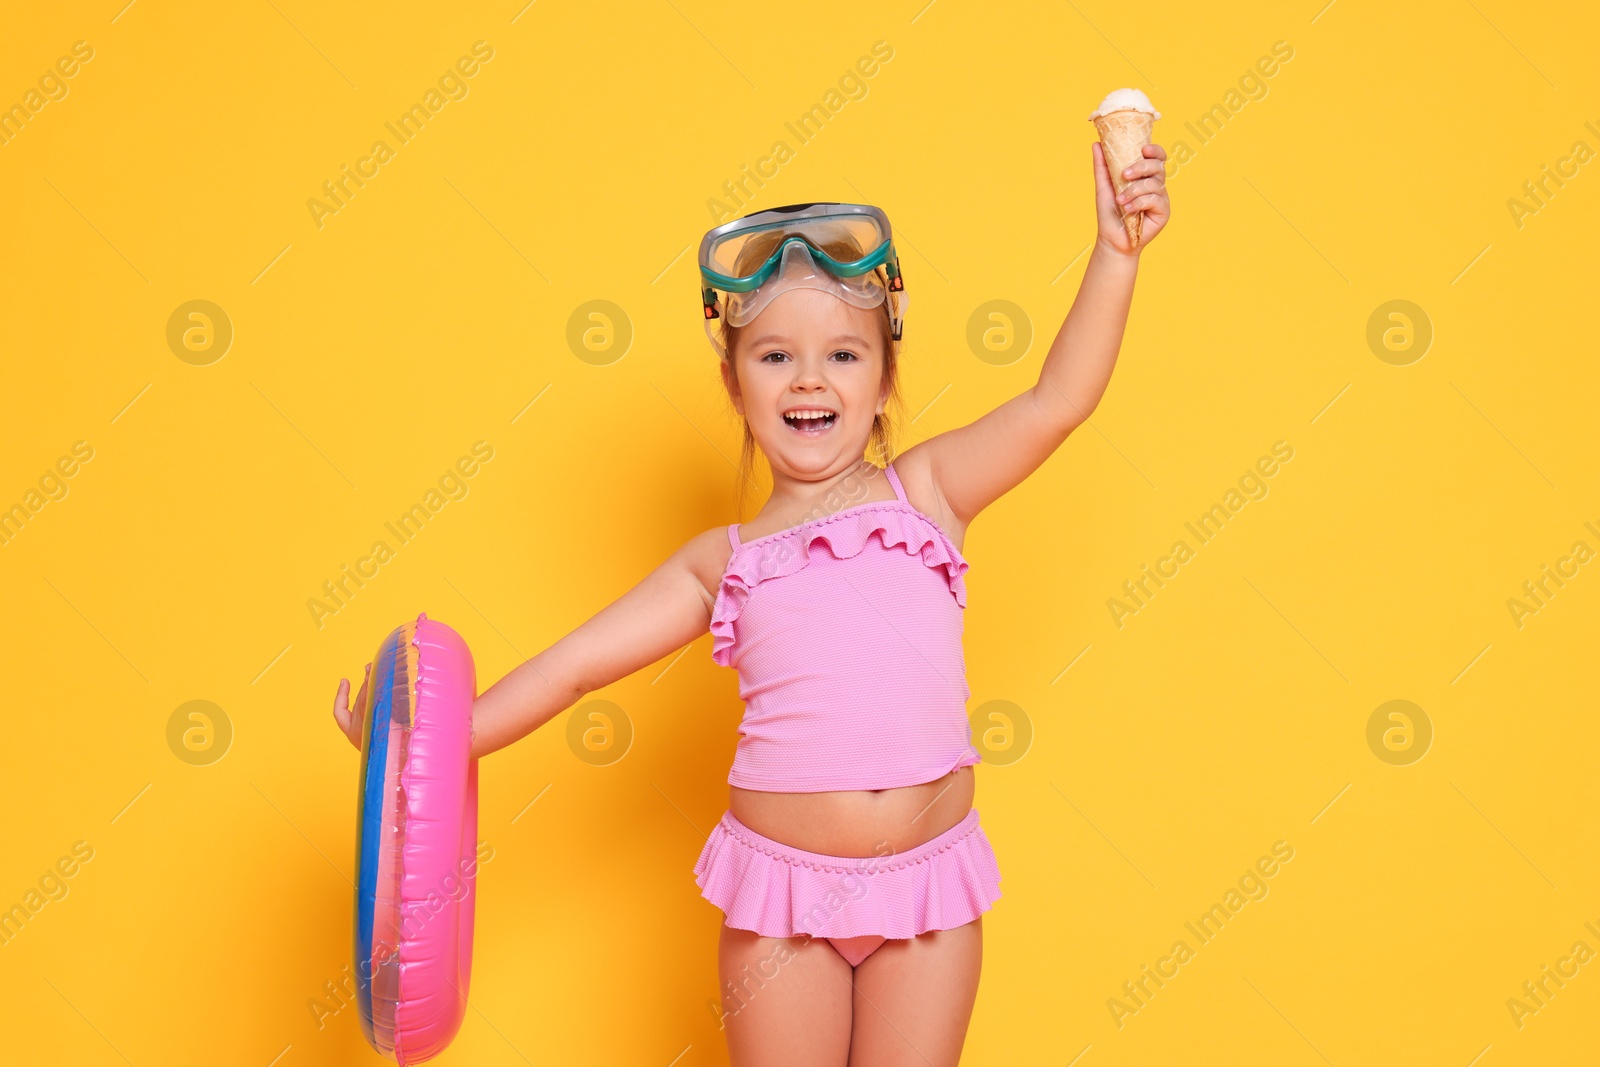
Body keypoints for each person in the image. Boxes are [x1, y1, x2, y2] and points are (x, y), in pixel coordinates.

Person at [334, 138, 1170, 1066]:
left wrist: (1115, 254)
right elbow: (572, 670)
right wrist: (409, 749)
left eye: (843, 353)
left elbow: (1058, 400)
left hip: (927, 895)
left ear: (884, 375)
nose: (810, 378)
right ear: (735, 382)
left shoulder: (930, 493)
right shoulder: (719, 564)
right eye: (776, 355)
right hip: (783, 906)